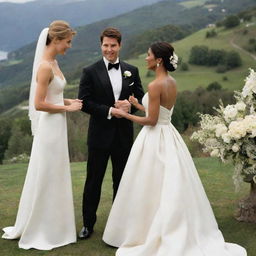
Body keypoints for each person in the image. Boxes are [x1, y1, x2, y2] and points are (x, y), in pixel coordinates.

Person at [103, 42, 247, 256]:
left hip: (154, 138)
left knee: (148, 183)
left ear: (159, 60)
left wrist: (125, 114)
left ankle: (146, 230)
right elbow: (161, 112)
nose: (146, 58)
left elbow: (151, 121)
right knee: (170, 183)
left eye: (149, 55)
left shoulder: (154, 86)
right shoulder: (171, 81)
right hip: (169, 135)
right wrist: (139, 105)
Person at [2, 20, 82, 250]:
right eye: (67, 42)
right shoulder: (45, 66)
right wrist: (67, 108)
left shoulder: (54, 62)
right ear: (55, 40)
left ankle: (57, 225)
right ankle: (42, 227)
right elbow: (38, 104)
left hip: (58, 124)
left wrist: (68, 101)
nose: (69, 46)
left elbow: (53, 96)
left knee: (56, 173)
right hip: (50, 127)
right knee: (47, 174)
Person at [78, 27, 144, 239]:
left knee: (122, 181)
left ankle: (119, 223)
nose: (109, 49)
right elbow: (85, 103)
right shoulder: (90, 71)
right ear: (101, 45)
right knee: (93, 181)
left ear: (120, 45)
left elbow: (141, 100)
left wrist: (128, 107)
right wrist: (109, 111)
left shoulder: (131, 70)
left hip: (124, 135)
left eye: (113, 45)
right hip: (99, 136)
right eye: (105, 45)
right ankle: (88, 224)